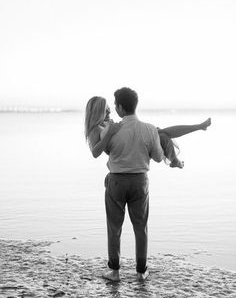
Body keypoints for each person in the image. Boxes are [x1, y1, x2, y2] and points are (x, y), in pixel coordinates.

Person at [84, 90, 211, 282]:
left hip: (117, 181)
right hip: (140, 182)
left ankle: (115, 272)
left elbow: (102, 150)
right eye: (106, 111)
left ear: (119, 107)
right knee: (141, 228)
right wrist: (156, 143)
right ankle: (141, 271)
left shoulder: (109, 130)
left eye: (111, 109)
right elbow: (158, 158)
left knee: (114, 228)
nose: (110, 114)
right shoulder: (147, 128)